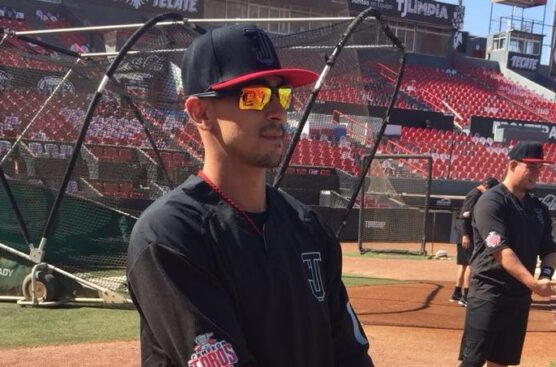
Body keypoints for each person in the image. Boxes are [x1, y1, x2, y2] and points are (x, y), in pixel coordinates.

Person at [126, 23, 373, 367]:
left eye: (281, 94)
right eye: (254, 95)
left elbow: (350, 355)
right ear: (200, 112)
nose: (277, 110)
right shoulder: (171, 234)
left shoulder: (309, 228)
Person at [458, 141, 556, 367]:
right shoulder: (491, 202)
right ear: (512, 165)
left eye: (540, 168)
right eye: (531, 167)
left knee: (501, 362)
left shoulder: (538, 208)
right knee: (472, 362)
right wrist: (534, 283)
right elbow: (501, 252)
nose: (537, 173)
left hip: (519, 298)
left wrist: (545, 275)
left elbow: (550, 249)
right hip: (489, 293)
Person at [449, 176, 499, 307]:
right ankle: (466, 297)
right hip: (467, 236)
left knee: (464, 265)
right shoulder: (475, 195)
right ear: (487, 187)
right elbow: (465, 216)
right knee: (472, 265)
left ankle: (456, 293)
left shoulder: (474, 194)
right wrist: (466, 235)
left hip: (465, 235)